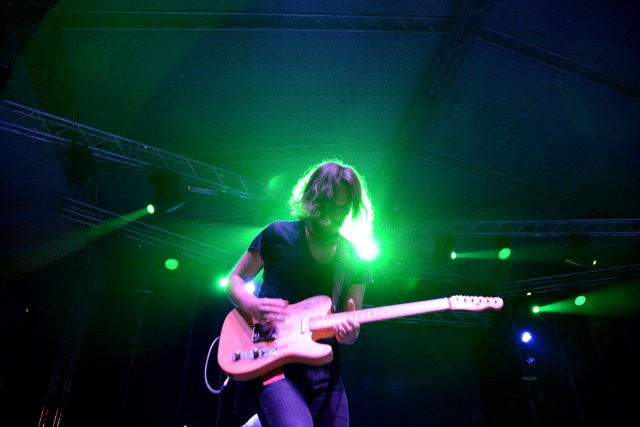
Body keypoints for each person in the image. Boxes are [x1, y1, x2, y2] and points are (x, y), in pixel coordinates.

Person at [225, 159, 374, 427]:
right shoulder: (277, 234)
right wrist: (253, 306)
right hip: (271, 361)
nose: (333, 217)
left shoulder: (354, 258)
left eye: (342, 209)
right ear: (313, 200)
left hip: (325, 371)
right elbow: (234, 280)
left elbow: (352, 327)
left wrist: (350, 333)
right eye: (329, 206)